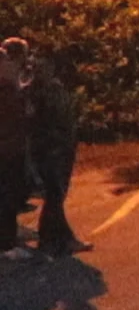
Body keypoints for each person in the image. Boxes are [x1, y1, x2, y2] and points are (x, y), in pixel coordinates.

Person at [20, 44, 89, 255]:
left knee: (55, 196)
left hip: (60, 148)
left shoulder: (51, 88)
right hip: (50, 151)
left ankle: (56, 239)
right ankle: (56, 240)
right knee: (55, 195)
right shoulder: (34, 92)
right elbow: (35, 123)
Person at [0, 38, 30, 261]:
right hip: (9, 148)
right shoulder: (7, 88)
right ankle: (7, 245)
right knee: (8, 195)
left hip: (10, 146)